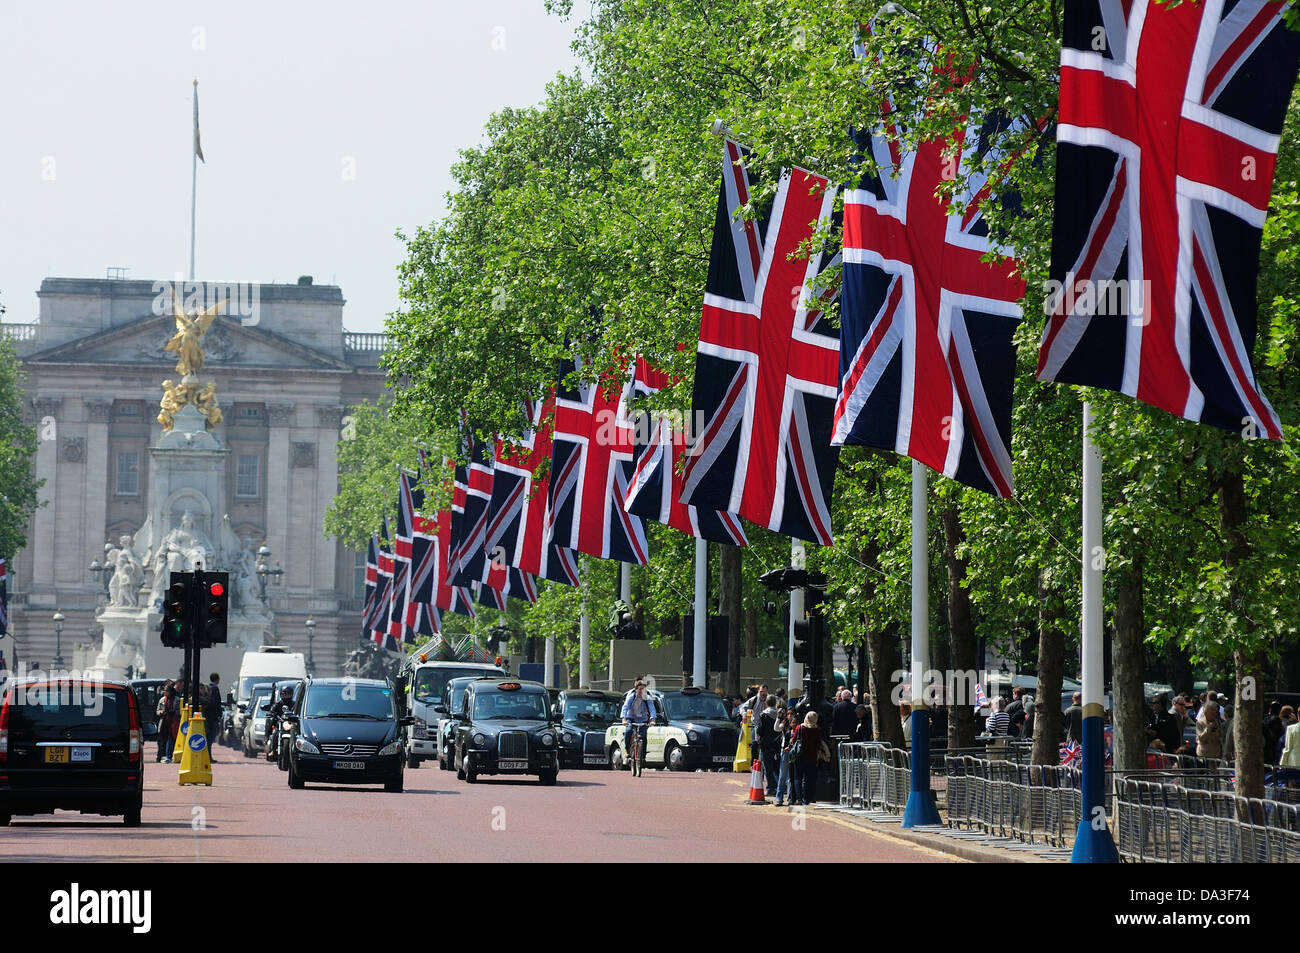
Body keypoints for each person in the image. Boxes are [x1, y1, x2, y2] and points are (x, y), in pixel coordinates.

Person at [790, 711, 829, 805]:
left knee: (797, 778)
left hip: (800, 756)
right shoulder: (816, 730)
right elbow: (818, 744)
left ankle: (799, 798)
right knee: (809, 779)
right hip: (812, 757)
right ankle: (808, 798)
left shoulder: (800, 728)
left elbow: (793, 740)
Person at [620, 680, 657, 766]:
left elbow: (652, 709)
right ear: (636, 690)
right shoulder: (631, 697)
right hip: (631, 718)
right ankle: (627, 750)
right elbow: (625, 707)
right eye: (640, 689)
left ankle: (643, 757)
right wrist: (624, 719)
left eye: (643, 689)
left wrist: (653, 720)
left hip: (643, 719)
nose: (641, 691)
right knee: (628, 731)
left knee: (644, 736)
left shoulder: (647, 698)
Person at [754, 694, 781, 794]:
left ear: (766, 703)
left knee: (767, 767)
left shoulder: (764, 715)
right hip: (777, 743)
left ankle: (770, 788)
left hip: (766, 743)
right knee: (777, 766)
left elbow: (760, 730)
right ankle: (779, 786)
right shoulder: (778, 715)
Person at [156, 683, 180, 763]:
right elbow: (157, 711)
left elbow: (180, 711)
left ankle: (169, 756)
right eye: (164, 690)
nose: (165, 692)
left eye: (167, 691)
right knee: (162, 741)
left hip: (173, 723)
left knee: (171, 739)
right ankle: (160, 757)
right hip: (164, 722)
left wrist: (174, 712)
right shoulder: (162, 700)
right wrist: (161, 712)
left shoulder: (177, 700)